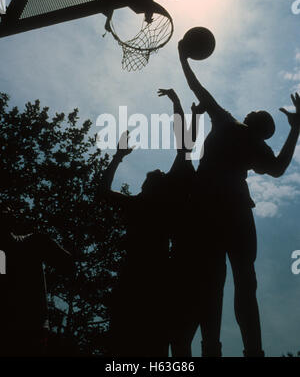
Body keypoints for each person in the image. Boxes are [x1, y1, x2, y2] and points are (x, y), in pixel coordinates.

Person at [178, 40, 300, 357]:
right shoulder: (256, 146)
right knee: (245, 280)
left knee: (214, 280)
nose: (254, 109)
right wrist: (296, 130)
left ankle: (211, 347)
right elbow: (278, 169)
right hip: (234, 209)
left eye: (257, 112)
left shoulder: (228, 122)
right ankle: (252, 351)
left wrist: (183, 57)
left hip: (208, 206)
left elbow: (197, 88)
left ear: (255, 122)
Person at [101, 91, 202, 357]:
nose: (160, 171)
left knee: (135, 339)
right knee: (143, 340)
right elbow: (184, 145)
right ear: (149, 184)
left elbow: (184, 145)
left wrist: (118, 157)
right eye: (156, 172)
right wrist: (180, 106)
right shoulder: (155, 204)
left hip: (143, 276)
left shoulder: (144, 205)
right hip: (152, 276)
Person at [0, 205, 73, 357]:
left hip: (29, 328)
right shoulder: (34, 242)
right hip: (21, 328)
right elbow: (68, 265)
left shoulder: (35, 242)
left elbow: (68, 264)